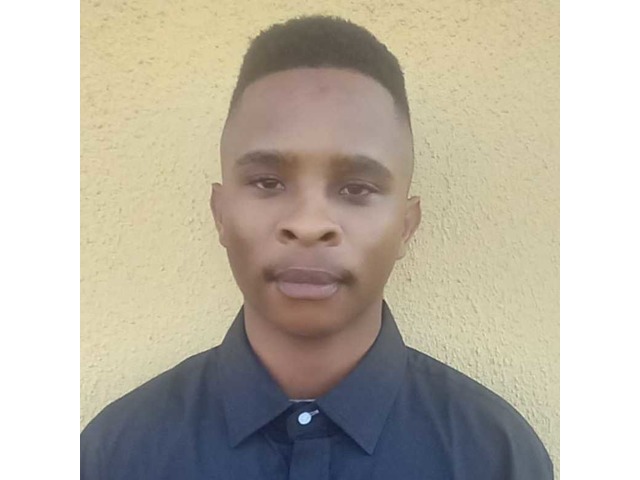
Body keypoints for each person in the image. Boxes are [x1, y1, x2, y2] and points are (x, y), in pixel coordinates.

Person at [81, 14, 553, 479]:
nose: (308, 225)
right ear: (220, 214)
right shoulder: (116, 454)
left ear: (406, 226)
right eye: (268, 183)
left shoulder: (496, 456)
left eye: (356, 189)